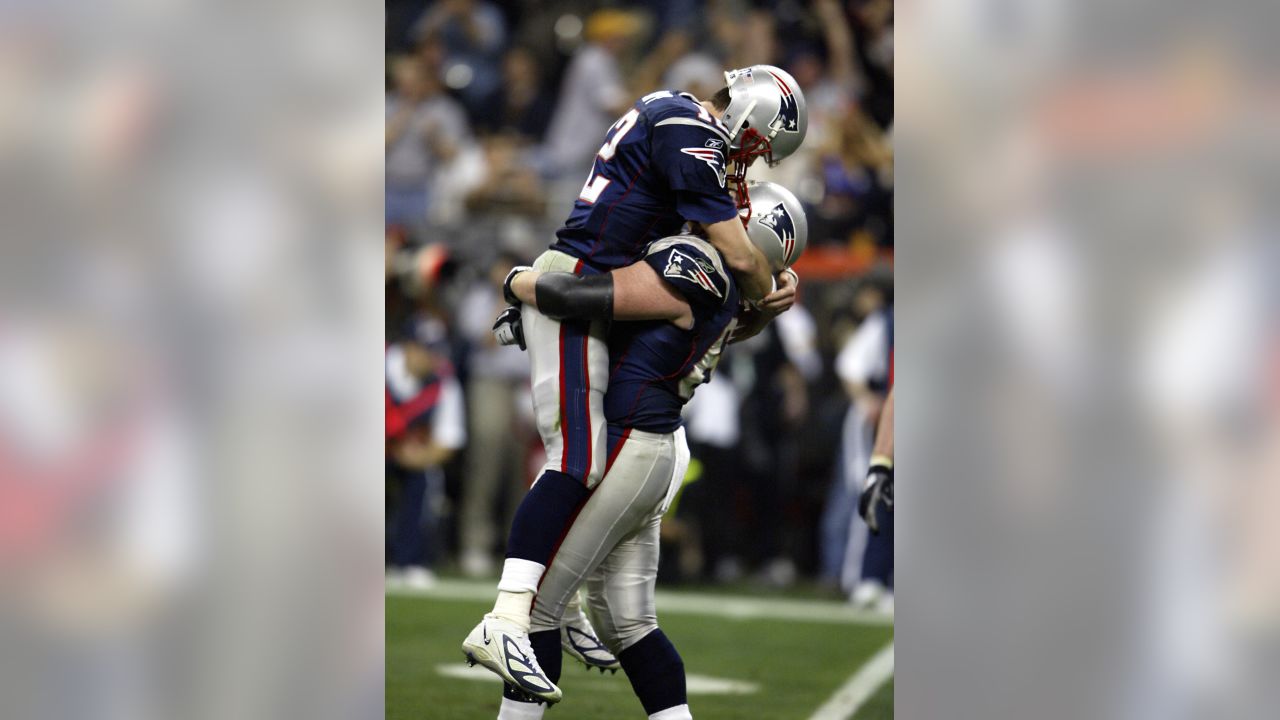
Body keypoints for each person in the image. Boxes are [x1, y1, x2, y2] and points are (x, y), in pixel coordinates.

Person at [460, 66, 810, 702]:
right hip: (623, 368)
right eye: (758, 148)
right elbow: (738, 259)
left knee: (577, 464)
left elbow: (702, 266)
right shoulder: (691, 140)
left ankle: (528, 611)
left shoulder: (695, 252)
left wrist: (517, 284)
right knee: (584, 478)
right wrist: (765, 289)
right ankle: (516, 615)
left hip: (625, 395)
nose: (748, 171)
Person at [385, 317, 467, 589]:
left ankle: (410, 561)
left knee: (426, 479)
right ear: (408, 348)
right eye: (426, 350)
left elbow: (448, 442)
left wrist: (417, 458)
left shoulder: (443, 381)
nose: (433, 358)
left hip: (410, 455)